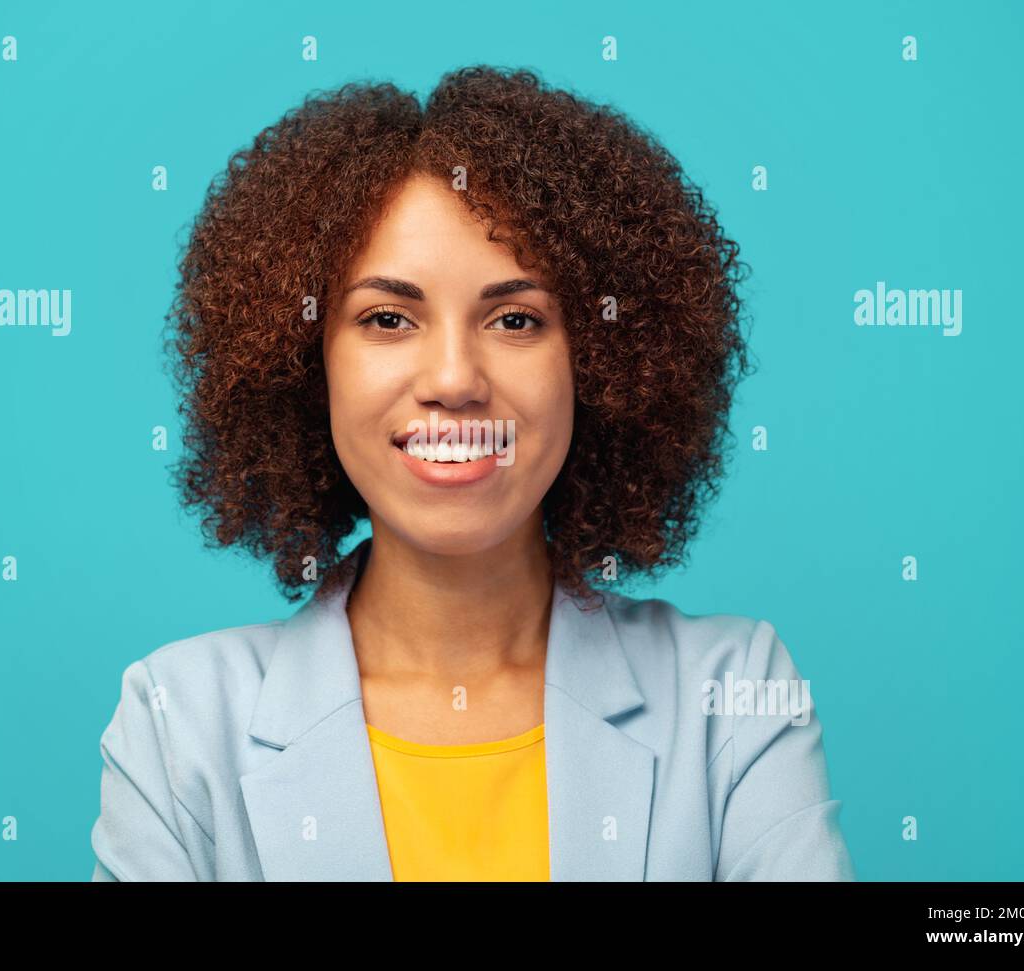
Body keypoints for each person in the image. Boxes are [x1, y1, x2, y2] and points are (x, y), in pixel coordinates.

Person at [89, 65, 856, 881]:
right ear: (306, 363)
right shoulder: (176, 722)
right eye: (388, 318)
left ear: (597, 363)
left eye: (515, 319)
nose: (454, 378)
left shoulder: (732, 699)